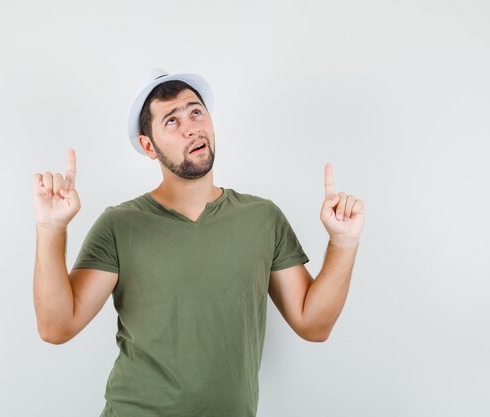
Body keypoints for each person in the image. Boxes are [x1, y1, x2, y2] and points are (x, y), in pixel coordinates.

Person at [32, 68, 366, 417]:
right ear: (149, 146)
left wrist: (343, 243)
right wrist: (50, 228)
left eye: (196, 111)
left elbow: (314, 325)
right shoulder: (120, 225)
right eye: (172, 121)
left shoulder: (262, 218)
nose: (191, 127)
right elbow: (56, 327)